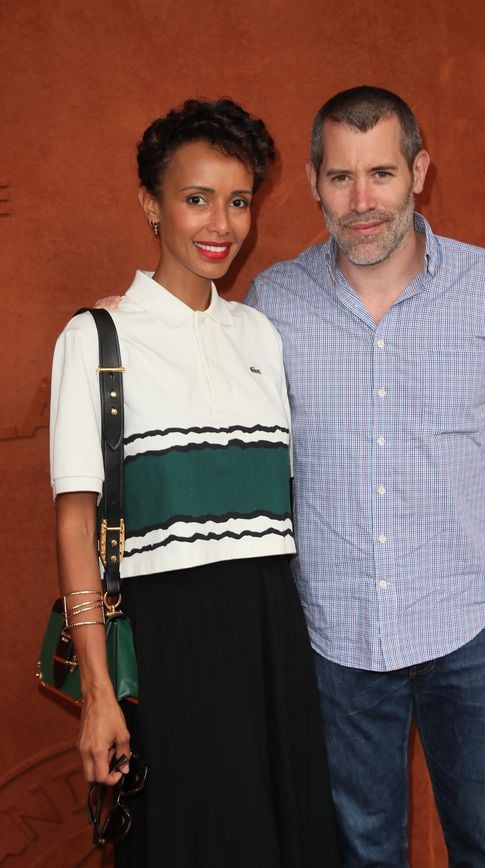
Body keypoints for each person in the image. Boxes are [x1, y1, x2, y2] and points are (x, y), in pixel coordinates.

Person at [244, 85, 485, 867]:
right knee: (363, 855)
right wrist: (135, 316)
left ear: (419, 171)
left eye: (382, 174)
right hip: (336, 640)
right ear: (315, 182)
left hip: (470, 629)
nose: (362, 202)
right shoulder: (272, 303)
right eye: (341, 178)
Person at [49, 97, 340, 867]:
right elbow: (77, 524)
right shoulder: (96, 337)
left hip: (273, 629)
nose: (221, 225)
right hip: (168, 638)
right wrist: (99, 693)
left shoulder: (260, 334)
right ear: (152, 203)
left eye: (238, 201)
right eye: (196, 198)